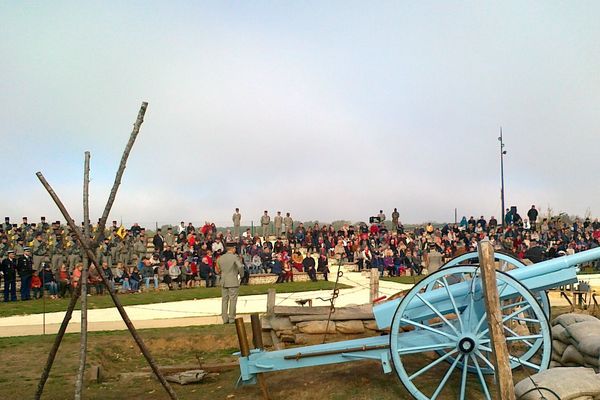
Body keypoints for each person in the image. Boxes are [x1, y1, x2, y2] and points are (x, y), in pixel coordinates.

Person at [217, 242, 244, 324]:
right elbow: (240, 266)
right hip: (232, 279)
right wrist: (241, 275)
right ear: (232, 249)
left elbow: (219, 268)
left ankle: (224, 318)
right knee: (233, 299)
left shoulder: (221, 258)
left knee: (224, 300)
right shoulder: (234, 257)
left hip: (224, 280)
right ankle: (231, 318)